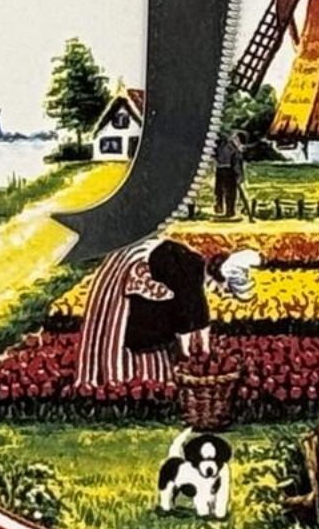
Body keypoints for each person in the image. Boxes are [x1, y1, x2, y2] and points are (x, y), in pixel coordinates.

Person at [74, 239, 261, 387]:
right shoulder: (189, 271)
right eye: (227, 290)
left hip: (130, 266)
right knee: (141, 329)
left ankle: (116, 376)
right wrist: (192, 355)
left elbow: (193, 316)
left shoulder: (191, 262)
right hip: (137, 276)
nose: (222, 294)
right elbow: (189, 318)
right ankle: (126, 380)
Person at [212, 129, 246, 218]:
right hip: (229, 171)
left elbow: (216, 154)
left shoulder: (224, 144)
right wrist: (239, 176)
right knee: (229, 192)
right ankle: (229, 211)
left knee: (220, 191)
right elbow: (237, 165)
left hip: (221, 168)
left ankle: (220, 209)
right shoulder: (234, 148)